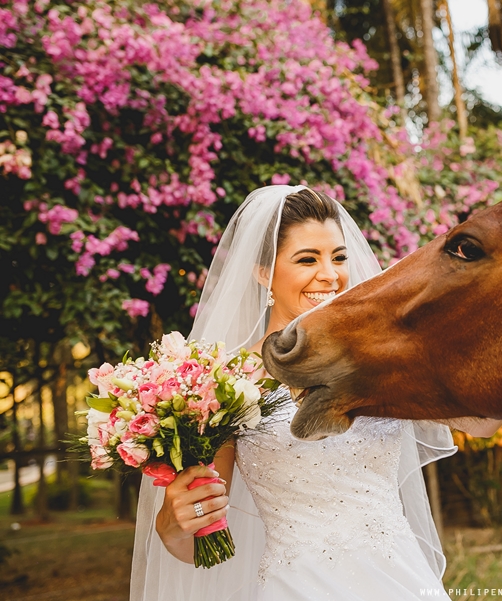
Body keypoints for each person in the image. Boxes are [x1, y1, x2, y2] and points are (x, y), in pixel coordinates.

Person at [130, 186, 456, 601]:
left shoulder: (377, 359)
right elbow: (198, 544)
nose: (331, 274)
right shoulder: (230, 384)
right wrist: (173, 523)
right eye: (307, 259)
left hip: (403, 578)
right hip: (302, 586)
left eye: (338, 257)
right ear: (264, 272)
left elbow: (484, 420)